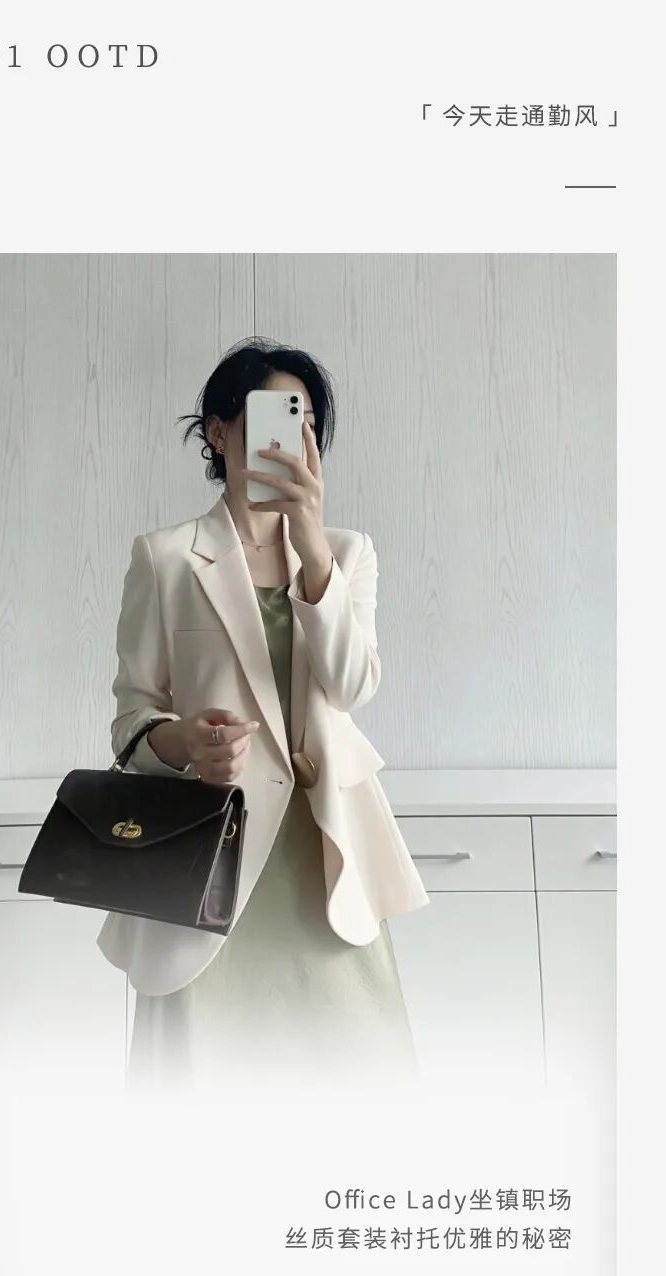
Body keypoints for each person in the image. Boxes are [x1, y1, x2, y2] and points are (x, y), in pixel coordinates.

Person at [97, 337, 429, 1096]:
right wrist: (183, 742)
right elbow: (131, 720)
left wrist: (311, 543)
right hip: (208, 860)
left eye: (305, 419)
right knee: (206, 1089)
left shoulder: (346, 553)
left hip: (322, 855)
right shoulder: (166, 558)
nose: (293, 434)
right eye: (273, 415)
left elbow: (352, 684)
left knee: (357, 1085)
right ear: (219, 431)